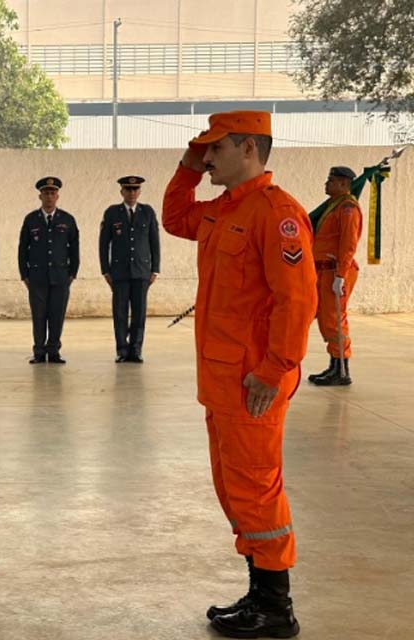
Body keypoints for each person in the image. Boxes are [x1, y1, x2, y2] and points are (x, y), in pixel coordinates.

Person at [163, 111, 316, 638]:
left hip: (254, 383)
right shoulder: (226, 210)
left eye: (214, 150)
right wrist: (185, 166)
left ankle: (277, 607)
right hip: (223, 382)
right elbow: (174, 216)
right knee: (235, 489)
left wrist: (273, 371)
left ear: (248, 148)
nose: (206, 159)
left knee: (256, 490)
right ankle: (259, 591)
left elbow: (296, 302)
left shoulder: (278, 215)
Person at [308, 166, 362, 386]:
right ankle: (334, 365)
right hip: (324, 270)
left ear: (343, 183)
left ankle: (341, 370)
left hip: (335, 270)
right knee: (325, 318)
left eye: (330, 180)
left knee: (334, 320)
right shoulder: (334, 206)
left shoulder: (348, 208)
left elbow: (348, 244)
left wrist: (340, 275)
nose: (326, 184)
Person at [98, 175, 160, 363]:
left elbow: (154, 242)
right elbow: (103, 244)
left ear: (139, 191)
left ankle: (136, 349)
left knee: (139, 313)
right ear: (122, 192)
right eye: (128, 189)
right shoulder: (111, 213)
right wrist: (105, 270)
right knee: (120, 312)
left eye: (135, 189)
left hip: (142, 271)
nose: (132, 193)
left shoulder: (147, 212)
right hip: (119, 272)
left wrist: (155, 268)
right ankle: (122, 350)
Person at [18, 177, 79, 364]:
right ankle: (38, 351)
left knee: (56, 315)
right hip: (37, 277)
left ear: (57, 196)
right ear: (40, 196)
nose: (49, 197)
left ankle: (53, 351)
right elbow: (22, 249)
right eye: (46, 193)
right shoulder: (31, 220)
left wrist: (72, 274)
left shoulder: (67, 220)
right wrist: (25, 275)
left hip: (60, 277)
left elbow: (74, 249)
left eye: (53, 193)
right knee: (38, 316)